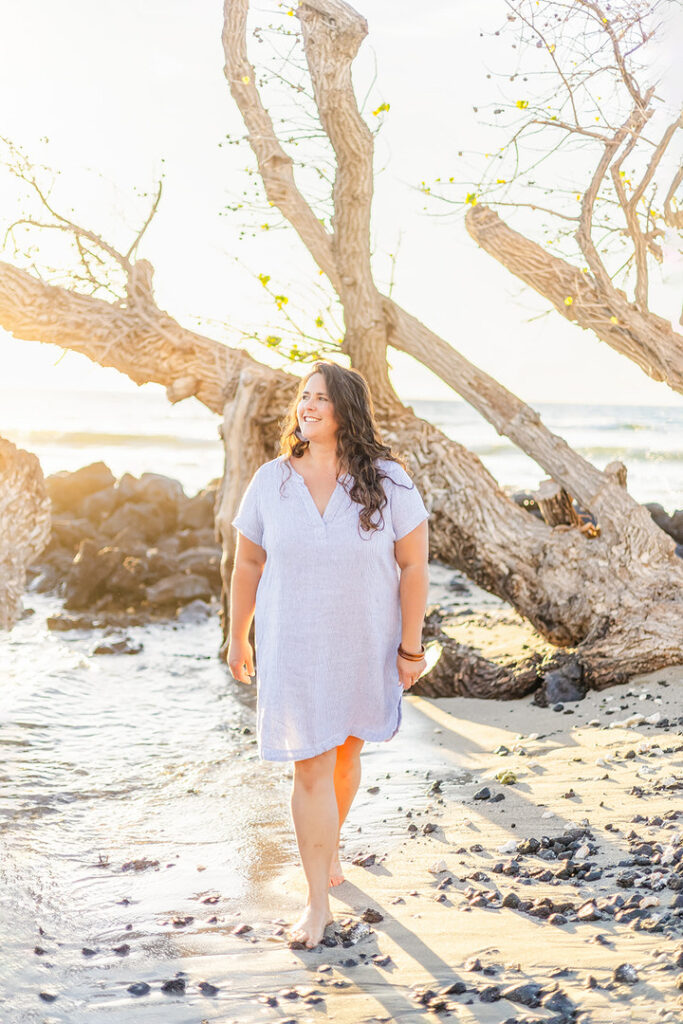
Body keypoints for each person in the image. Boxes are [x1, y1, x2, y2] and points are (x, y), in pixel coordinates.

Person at [227, 360, 430, 949]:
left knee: (344, 756)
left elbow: (414, 566)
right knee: (309, 765)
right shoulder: (271, 480)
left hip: (362, 644)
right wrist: (238, 635)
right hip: (291, 646)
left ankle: (327, 846)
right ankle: (317, 901)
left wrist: (410, 647)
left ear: (346, 409)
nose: (307, 406)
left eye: (320, 397)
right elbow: (247, 564)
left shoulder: (388, 480)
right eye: (303, 397)